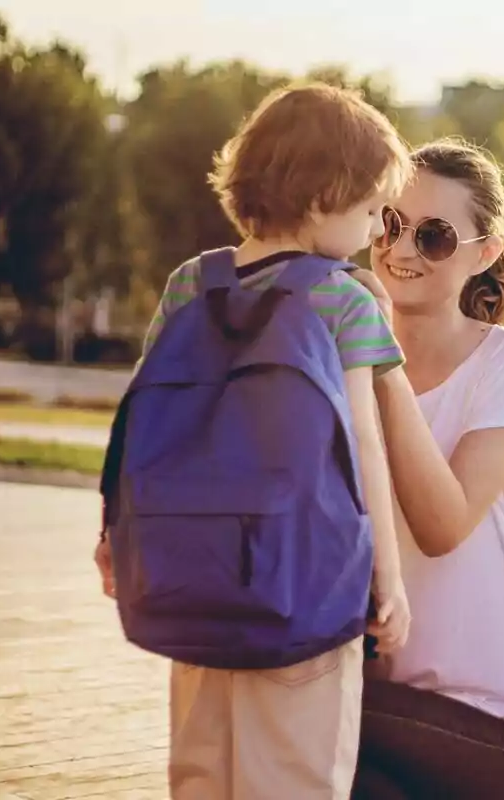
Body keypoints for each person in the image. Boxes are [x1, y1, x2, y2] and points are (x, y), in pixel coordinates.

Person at [93, 81, 413, 800]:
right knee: (297, 772)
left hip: (193, 570)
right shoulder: (343, 298)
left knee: (202, 769)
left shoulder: (191, 284)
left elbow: (144, 422)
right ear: (325, 194)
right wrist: (386, 580)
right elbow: (365, 445)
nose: (372, 231)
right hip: (308, 581)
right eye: (370, 210)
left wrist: (117, 533)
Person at [349, 138, 504, 800]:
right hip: (384, 707)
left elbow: (442, 524)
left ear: (484, 254)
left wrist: (379, 363)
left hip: (496, 732)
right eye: (389, 222)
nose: (401, 250)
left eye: (435, 236)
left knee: (300, 705)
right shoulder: (343, 361)